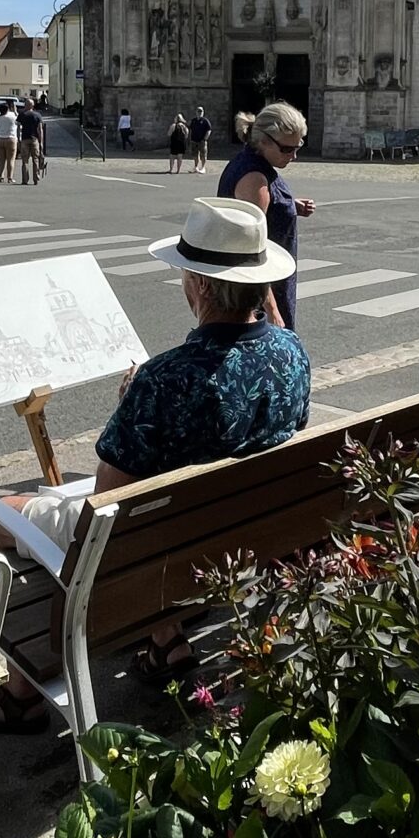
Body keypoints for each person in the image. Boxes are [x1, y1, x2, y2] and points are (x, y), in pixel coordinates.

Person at [90, 198, 311, 680]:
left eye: (186, 273)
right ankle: (164, 637)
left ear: (203, 286)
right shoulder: (291, 351)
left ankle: (20, 694)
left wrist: (131, 403)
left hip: (176, 542)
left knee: (6, 521)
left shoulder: (163, 380)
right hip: (255, 531)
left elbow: (109, 498)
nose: (183, 282)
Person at [219, 100, 313, 331]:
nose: (294, 156)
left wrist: (290, 205)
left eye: (298, 146)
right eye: (287, 149)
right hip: (260, 293)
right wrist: (272, 311)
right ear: (263, 141)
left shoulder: (256, 164)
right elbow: (250, 251)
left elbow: (266, 206)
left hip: (265, 287)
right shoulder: (254, 178)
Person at [16, 97, 44, 184]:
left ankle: (25, 180)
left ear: (26, 105)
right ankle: (36, 179)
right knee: (35, 159)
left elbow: (18, 127)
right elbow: (40, 129)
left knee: (25, 160)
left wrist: (18, 138)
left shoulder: (22, 115)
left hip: (24, 139)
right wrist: (41, 141)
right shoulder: (37, 115)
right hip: (34, 139)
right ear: (33, 105)